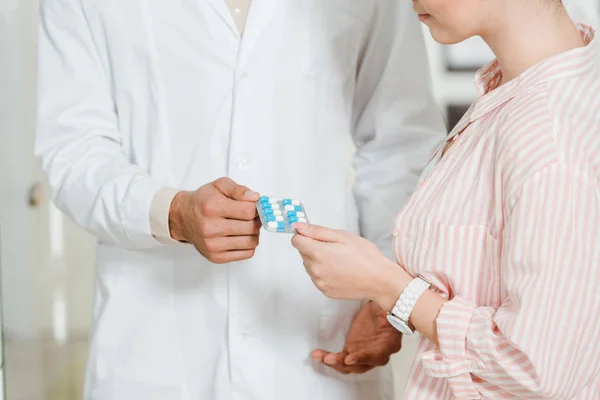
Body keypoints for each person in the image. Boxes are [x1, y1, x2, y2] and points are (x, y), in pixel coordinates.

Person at [35, 1, 445, 399]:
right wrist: (172, 212)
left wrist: (387, 285)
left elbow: (400, 145)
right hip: (154, 337)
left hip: (317, 335)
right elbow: (74, 150)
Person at [293, 0, 600, 399]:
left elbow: (538, 370)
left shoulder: (550, 141)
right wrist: (401, 310)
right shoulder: (516, 91)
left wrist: (390, 287)